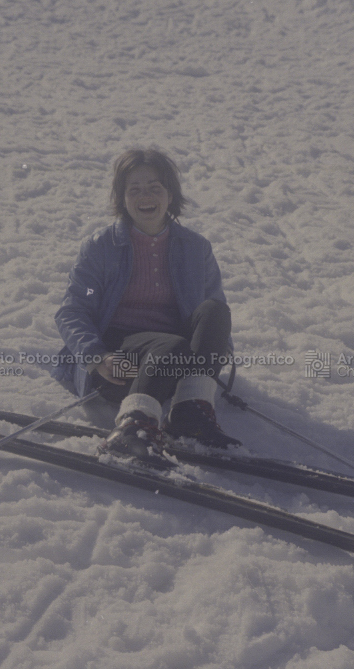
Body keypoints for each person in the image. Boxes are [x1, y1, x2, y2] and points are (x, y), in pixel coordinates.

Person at [53, 148, 239, 463]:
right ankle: (131, 431)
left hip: (174, 368)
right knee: (171, 345)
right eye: (134, 190)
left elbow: (213, 317)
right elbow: (72, 311)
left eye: (155, 187)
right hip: (119, 363)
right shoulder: (100, 248)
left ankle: (190, 417)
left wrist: (212, 362)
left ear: (170, 195)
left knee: (215, 312)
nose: (145, 196)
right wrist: (97, 357)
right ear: (122, 199)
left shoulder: (196, 248)